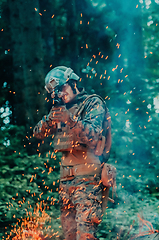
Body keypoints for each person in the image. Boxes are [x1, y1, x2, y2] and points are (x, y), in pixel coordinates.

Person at [33, 66, 114, 240]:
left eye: (62, 88)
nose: (60, 94)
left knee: (85, 236)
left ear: (73, 83)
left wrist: (69, 119)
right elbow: (37, 133)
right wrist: (50, 120)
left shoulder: (92, 103)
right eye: (56, 92)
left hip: (88, 180)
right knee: (69, 236)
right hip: (65, 183)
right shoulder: (60, 110)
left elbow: (92, 137)